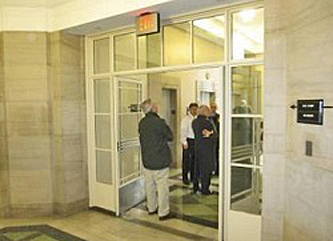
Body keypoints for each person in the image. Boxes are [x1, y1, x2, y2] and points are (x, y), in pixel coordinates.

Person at [139, 99, 174, 221]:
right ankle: (163, 212)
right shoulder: (159, 122)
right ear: (152, 108)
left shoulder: (142, 123)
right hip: (160, 160)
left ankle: (151, 208)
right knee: (162, 187)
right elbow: (170, 136)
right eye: (155, 105)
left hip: (147, 160)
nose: (157, 106)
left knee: (149, 186)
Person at [192, 105, 217, 195]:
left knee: (197, 168)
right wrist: (212, 134)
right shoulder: (207, 123)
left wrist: (210, 133)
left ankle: (195, 186)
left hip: (198, 148)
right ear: (205, 111)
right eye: (208, 110)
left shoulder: (194, 122)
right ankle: (205, 189)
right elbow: (214, 136)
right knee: (206, 170)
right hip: (207, 149)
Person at [180, 102, 198, 185]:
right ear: (190, 109)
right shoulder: (186, 119)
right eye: (193, 109)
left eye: (196, 109)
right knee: (186, 160)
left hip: (196, 141)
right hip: (188, 140)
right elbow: (183, 131)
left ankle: (193, 177)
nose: (194, 111)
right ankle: (185, 177)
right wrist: (184, 142)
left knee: (194, 160)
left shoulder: (197, 119)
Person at [210, 102, 220, 176]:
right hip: (209, 139)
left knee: (217, 154)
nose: (213, 109)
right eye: (212, 107)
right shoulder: (208, 117)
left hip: (217, 138)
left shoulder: (218, 116)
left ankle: (217, 170)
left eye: (214, 107)